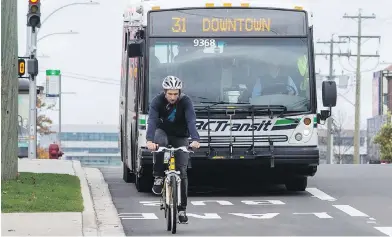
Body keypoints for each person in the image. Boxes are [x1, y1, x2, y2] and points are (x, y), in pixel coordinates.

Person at [145, 75, 201, 224]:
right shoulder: (157, 101)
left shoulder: (186, 102)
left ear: (180, 92)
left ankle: (182, 209)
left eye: (175, 94)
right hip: (162, 132)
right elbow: (151, 120)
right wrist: (149, 140)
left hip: (180, 135)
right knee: (160, 144)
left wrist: (195, 139)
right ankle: (158, 176)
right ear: (165, 92)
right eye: (170, 94)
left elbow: (191, 120)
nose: (172, 97)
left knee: (182, 172)